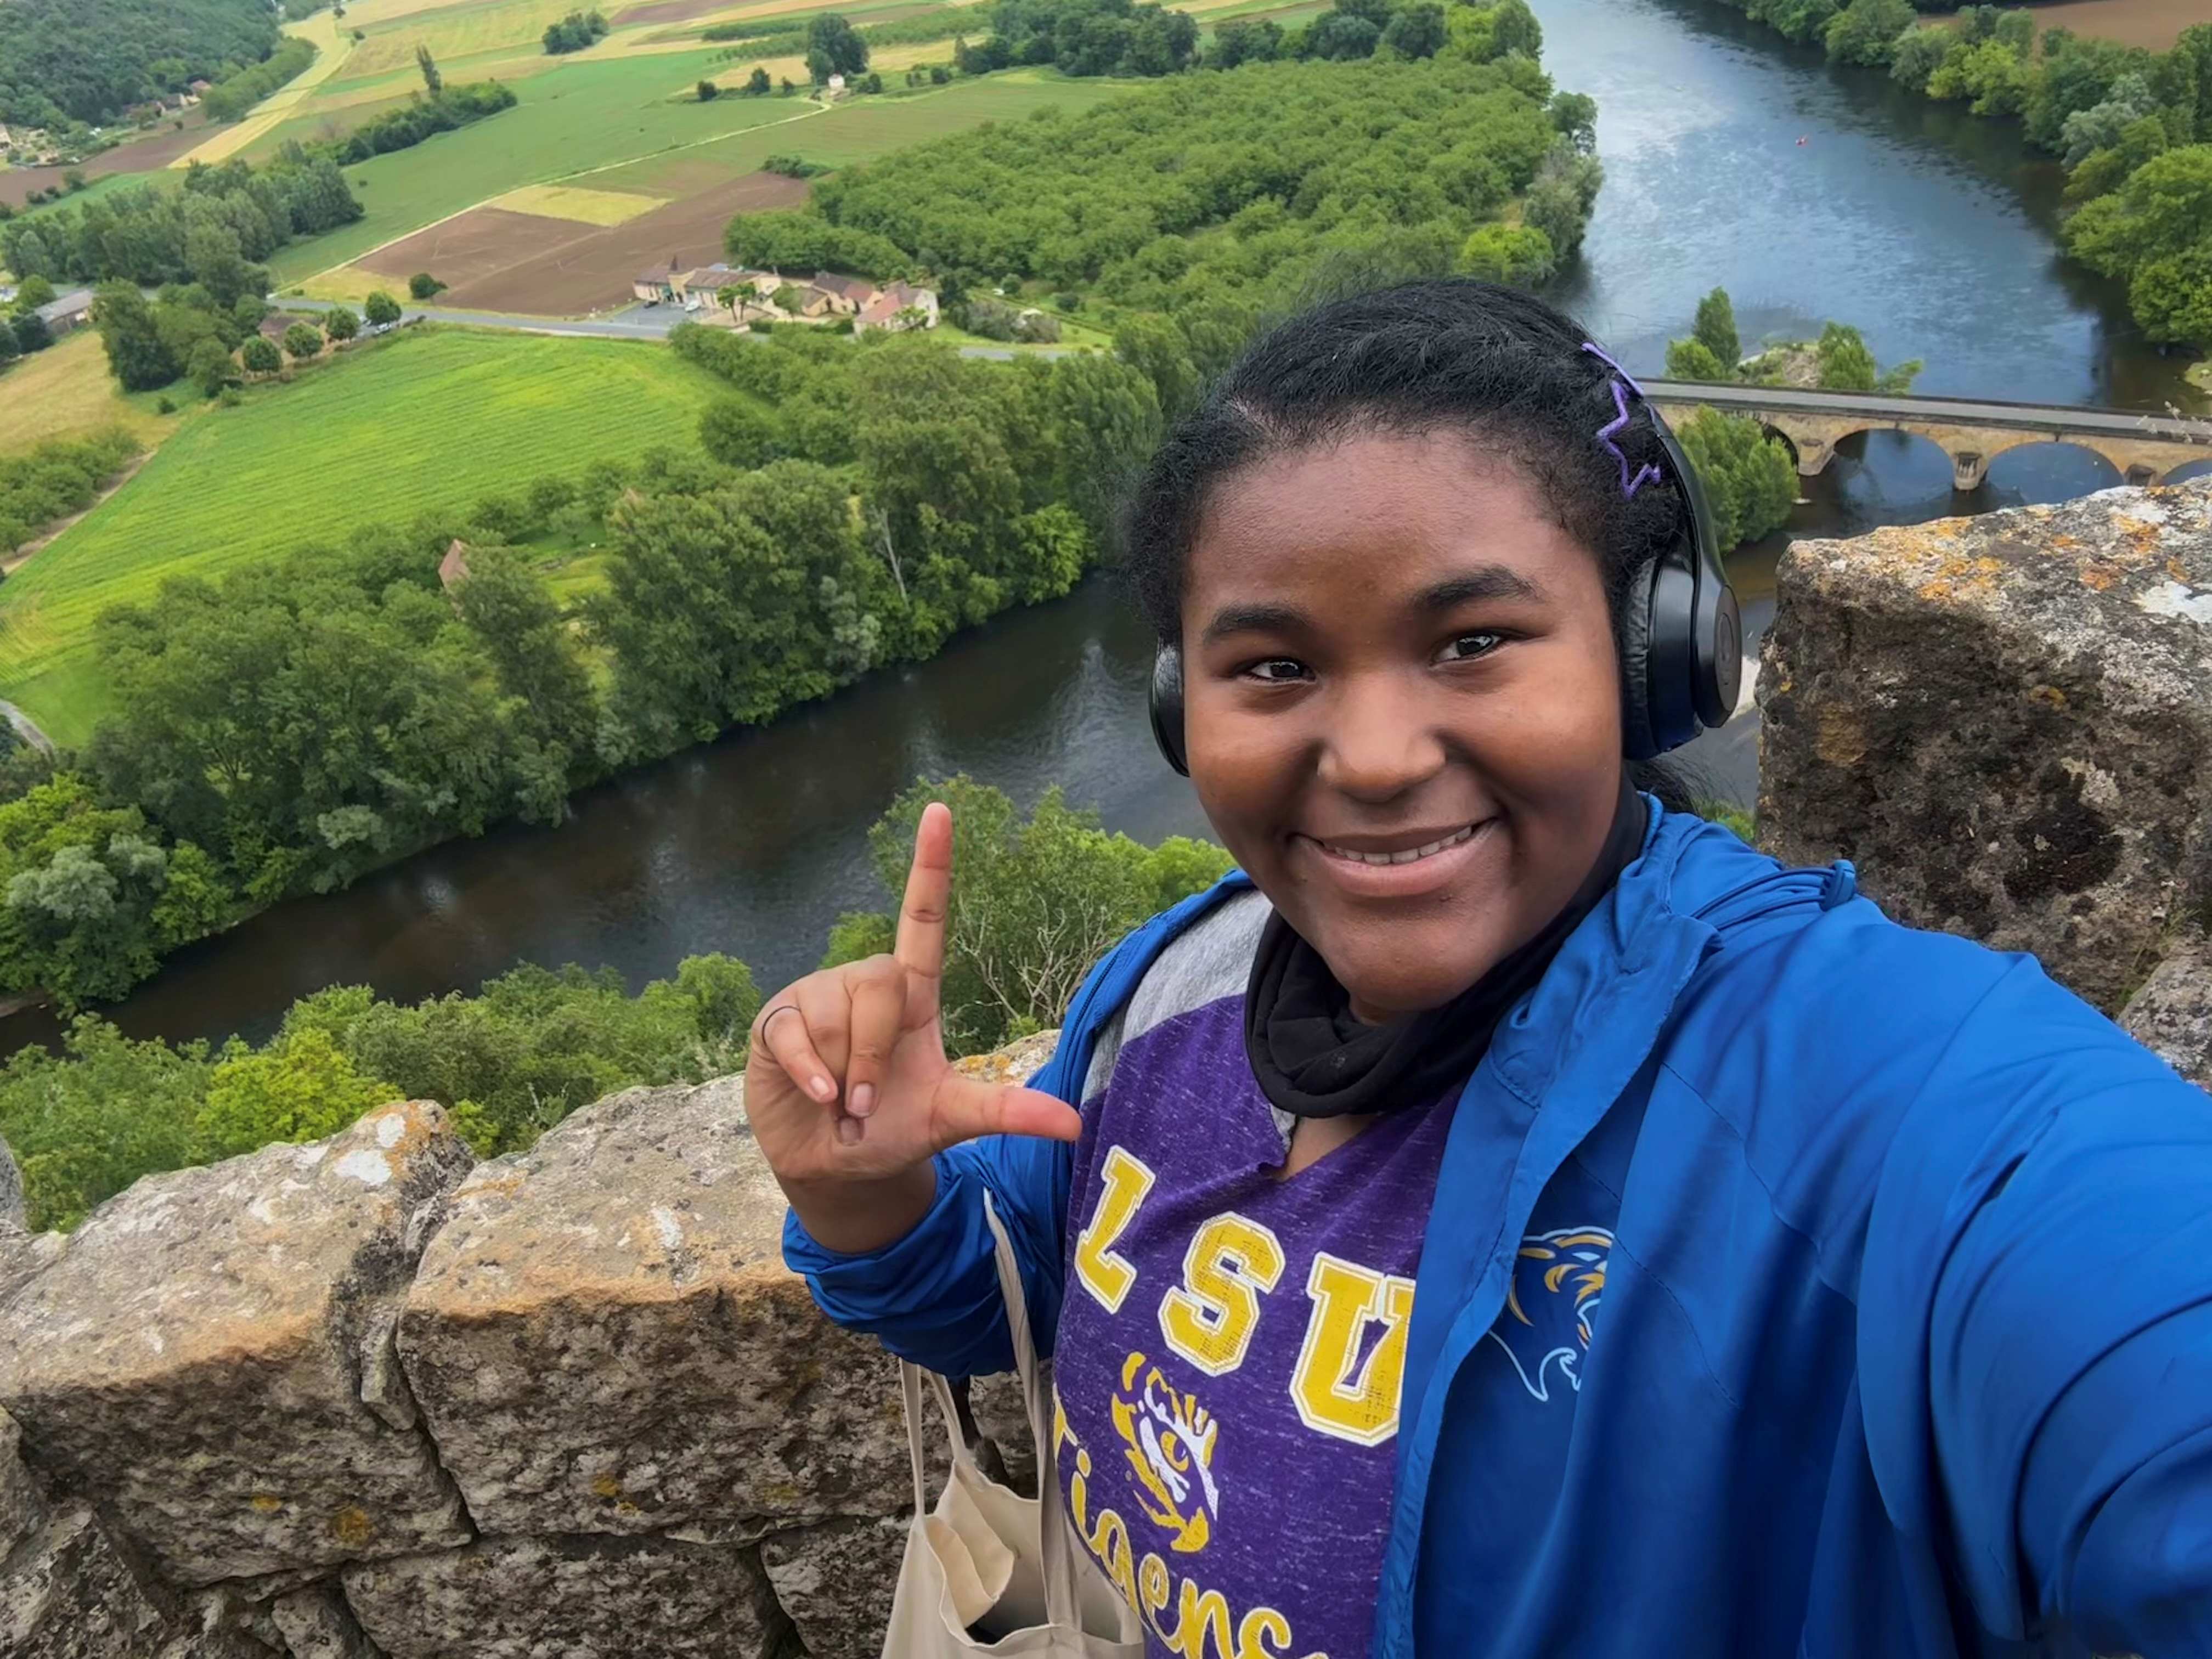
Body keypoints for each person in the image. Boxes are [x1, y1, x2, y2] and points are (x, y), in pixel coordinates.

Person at [753, 281, 2212, 1659]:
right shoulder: (1173, 986)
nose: (1377, 759)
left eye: (1473, 641)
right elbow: (1012, 1297)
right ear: (1173, 705)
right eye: (1270, 668)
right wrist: (868, 1194)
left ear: (1652, 659)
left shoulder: (1844, 1085)